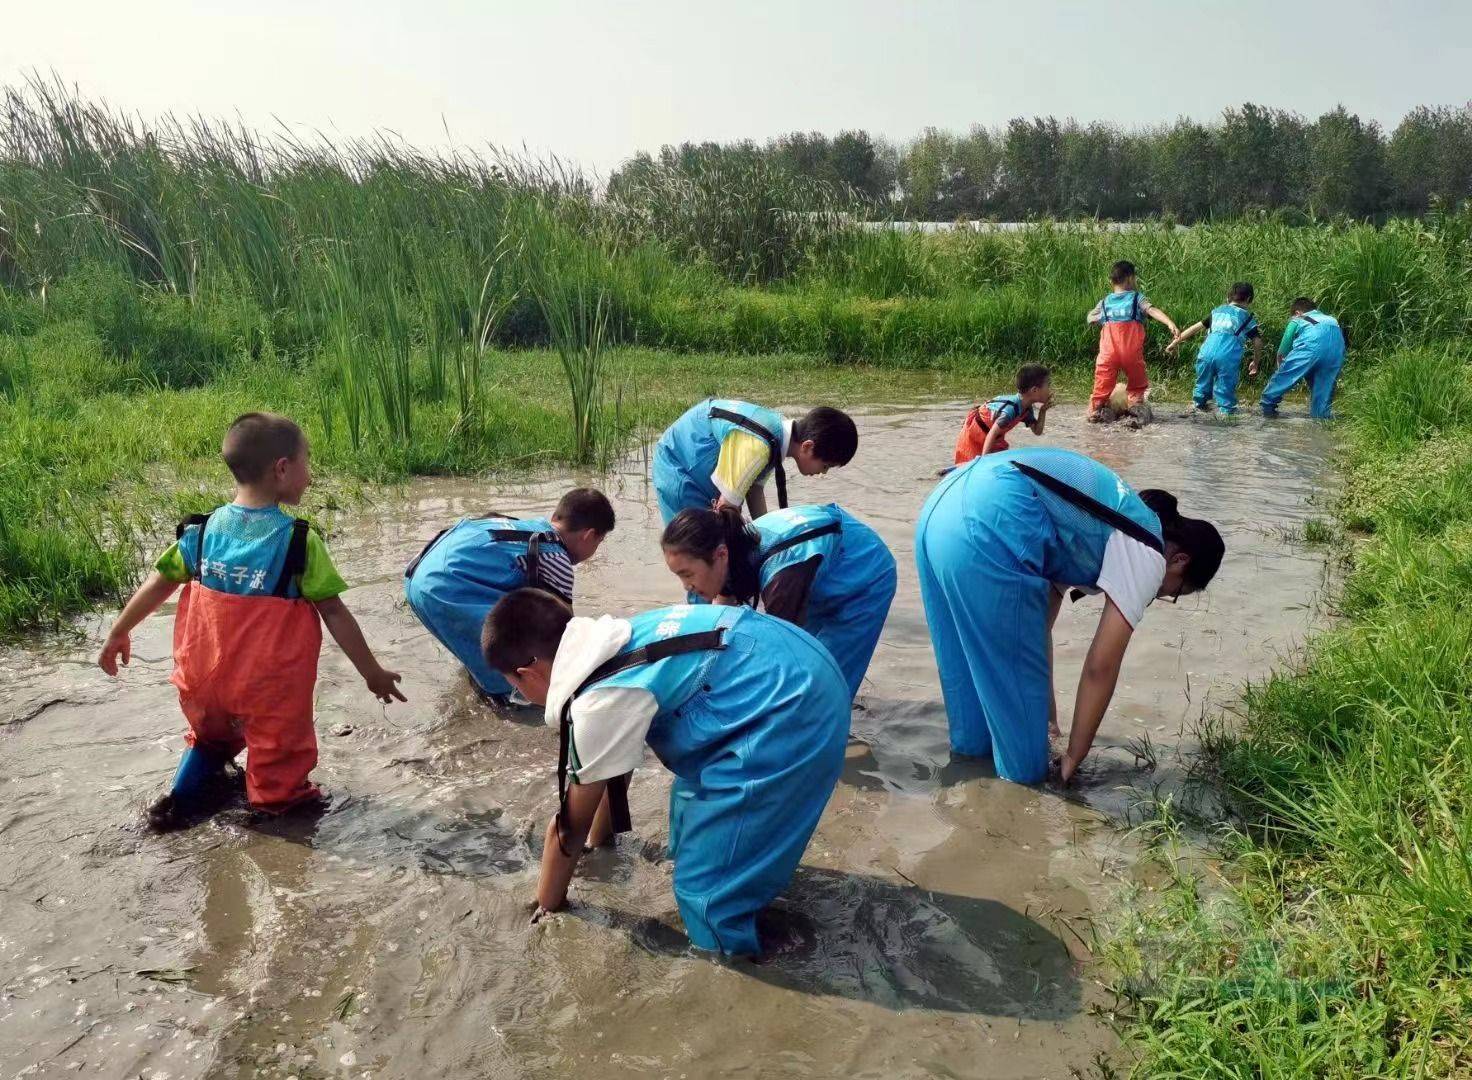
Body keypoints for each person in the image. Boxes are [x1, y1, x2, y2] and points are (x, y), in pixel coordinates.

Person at [483, 588, 849, 956]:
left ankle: (741, 966)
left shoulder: (598, 703)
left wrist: (547, 904)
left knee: (704, 896)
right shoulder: (611, 641)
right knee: (687, 823)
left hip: (792, 706)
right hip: (792, 657)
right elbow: (611, 772)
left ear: (526, 673)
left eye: (514, 686)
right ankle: (749, 888)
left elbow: (568, 826)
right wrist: (601, 845)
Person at [97, 413, 406, 829]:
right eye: (306, 463)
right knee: (280, 762)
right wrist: (372, 672)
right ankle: (275, 816)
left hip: (204, 680)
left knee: (211, 740)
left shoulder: (201, 532)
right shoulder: (297, 541)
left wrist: (119, 631)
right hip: (269, 687)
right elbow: (334, 611)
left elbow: (158, 582)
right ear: (282, 469)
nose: (309, 477)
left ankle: (178, 803)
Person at [914, 447, 1223, 785]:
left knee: (972, 727)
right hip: (992, 518)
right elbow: (1100, 667)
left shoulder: (1105, 518)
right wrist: (1075, 754)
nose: (1163, 595)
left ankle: (968, 797)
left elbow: (1037, 629)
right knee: (1027, 772)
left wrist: (1049, 723)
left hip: (942, 507)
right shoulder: (1149, 549)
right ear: (1179, 561)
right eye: (1175, 593)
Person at [660, 503, 897, 700]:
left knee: (827, 686)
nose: (686, 586)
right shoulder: (730, 547)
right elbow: (719, 628)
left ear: (720, 555)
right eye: (678, 575)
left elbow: (779, 656)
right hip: (817, 569)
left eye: (687, 574)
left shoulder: (782, 580)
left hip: (864, 573)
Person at [404, 488, 615, 703]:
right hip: (445, 587)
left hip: (418, 575)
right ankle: (504, 702)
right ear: (589, 536)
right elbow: (566, 633)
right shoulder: (555, 557)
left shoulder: (526, 527)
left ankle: (481, 685)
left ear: (555, 516)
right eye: (598, 543)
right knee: (510, 667)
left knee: (484, 645)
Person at [651, 399, 858, 524]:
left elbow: (753, 489)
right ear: (807, 446)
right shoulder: (759, 447)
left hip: (696, 463)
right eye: (826, 466)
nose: (823, 473)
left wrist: (768, 535)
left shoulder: (775, 436)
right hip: (678, 465)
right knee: (703, 555)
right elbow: (726, 507)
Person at [1086, 260, 1180, 422]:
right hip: (1131, 352)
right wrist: (1169, 322)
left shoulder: (1104, 302)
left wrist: (1103, 319)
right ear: (1130, 279)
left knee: (1102, 385)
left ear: (1111, 282)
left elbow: (1090, 318)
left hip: (1108, 353)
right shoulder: (1137, 299)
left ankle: (1097, 411)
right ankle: (1136, 411)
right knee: (1137, 384)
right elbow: (1152, 310)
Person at [1167, 281, 1263, 416]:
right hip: (1227, 356)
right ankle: (1226, 415)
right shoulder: (1246, 317)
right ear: (1248, 299)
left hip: (1205, 353)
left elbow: (1194, 328)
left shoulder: (1216, 312)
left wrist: (1175, 342)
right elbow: (1257, 341)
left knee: (1201, 386)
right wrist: (1256, 362)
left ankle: (1197, 408)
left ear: (1228, 298)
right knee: (1225, 391)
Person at [1259, 297, 1347, 419]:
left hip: (1309, 350)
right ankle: (1320, 423)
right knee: (1323, 398)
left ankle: (1267, 413)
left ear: (1297, 313)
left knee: (1278, 385)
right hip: (1336, 355)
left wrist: (1281, 369)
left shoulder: (1299, 318)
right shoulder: (1332, 319)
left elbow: (1282, 351)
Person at [953, 363, 1054, 463]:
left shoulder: (1026, 408)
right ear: (1035, 390)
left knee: (1002, 462)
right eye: (1048, 385)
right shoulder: (1011, 409)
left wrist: (1042, 411)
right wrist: (983, 463)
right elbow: (991, 434)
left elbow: (1037, 431)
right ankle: (947, 471)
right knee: (968, 464)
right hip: (976, 431)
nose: (1050, 390)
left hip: (994, 435)